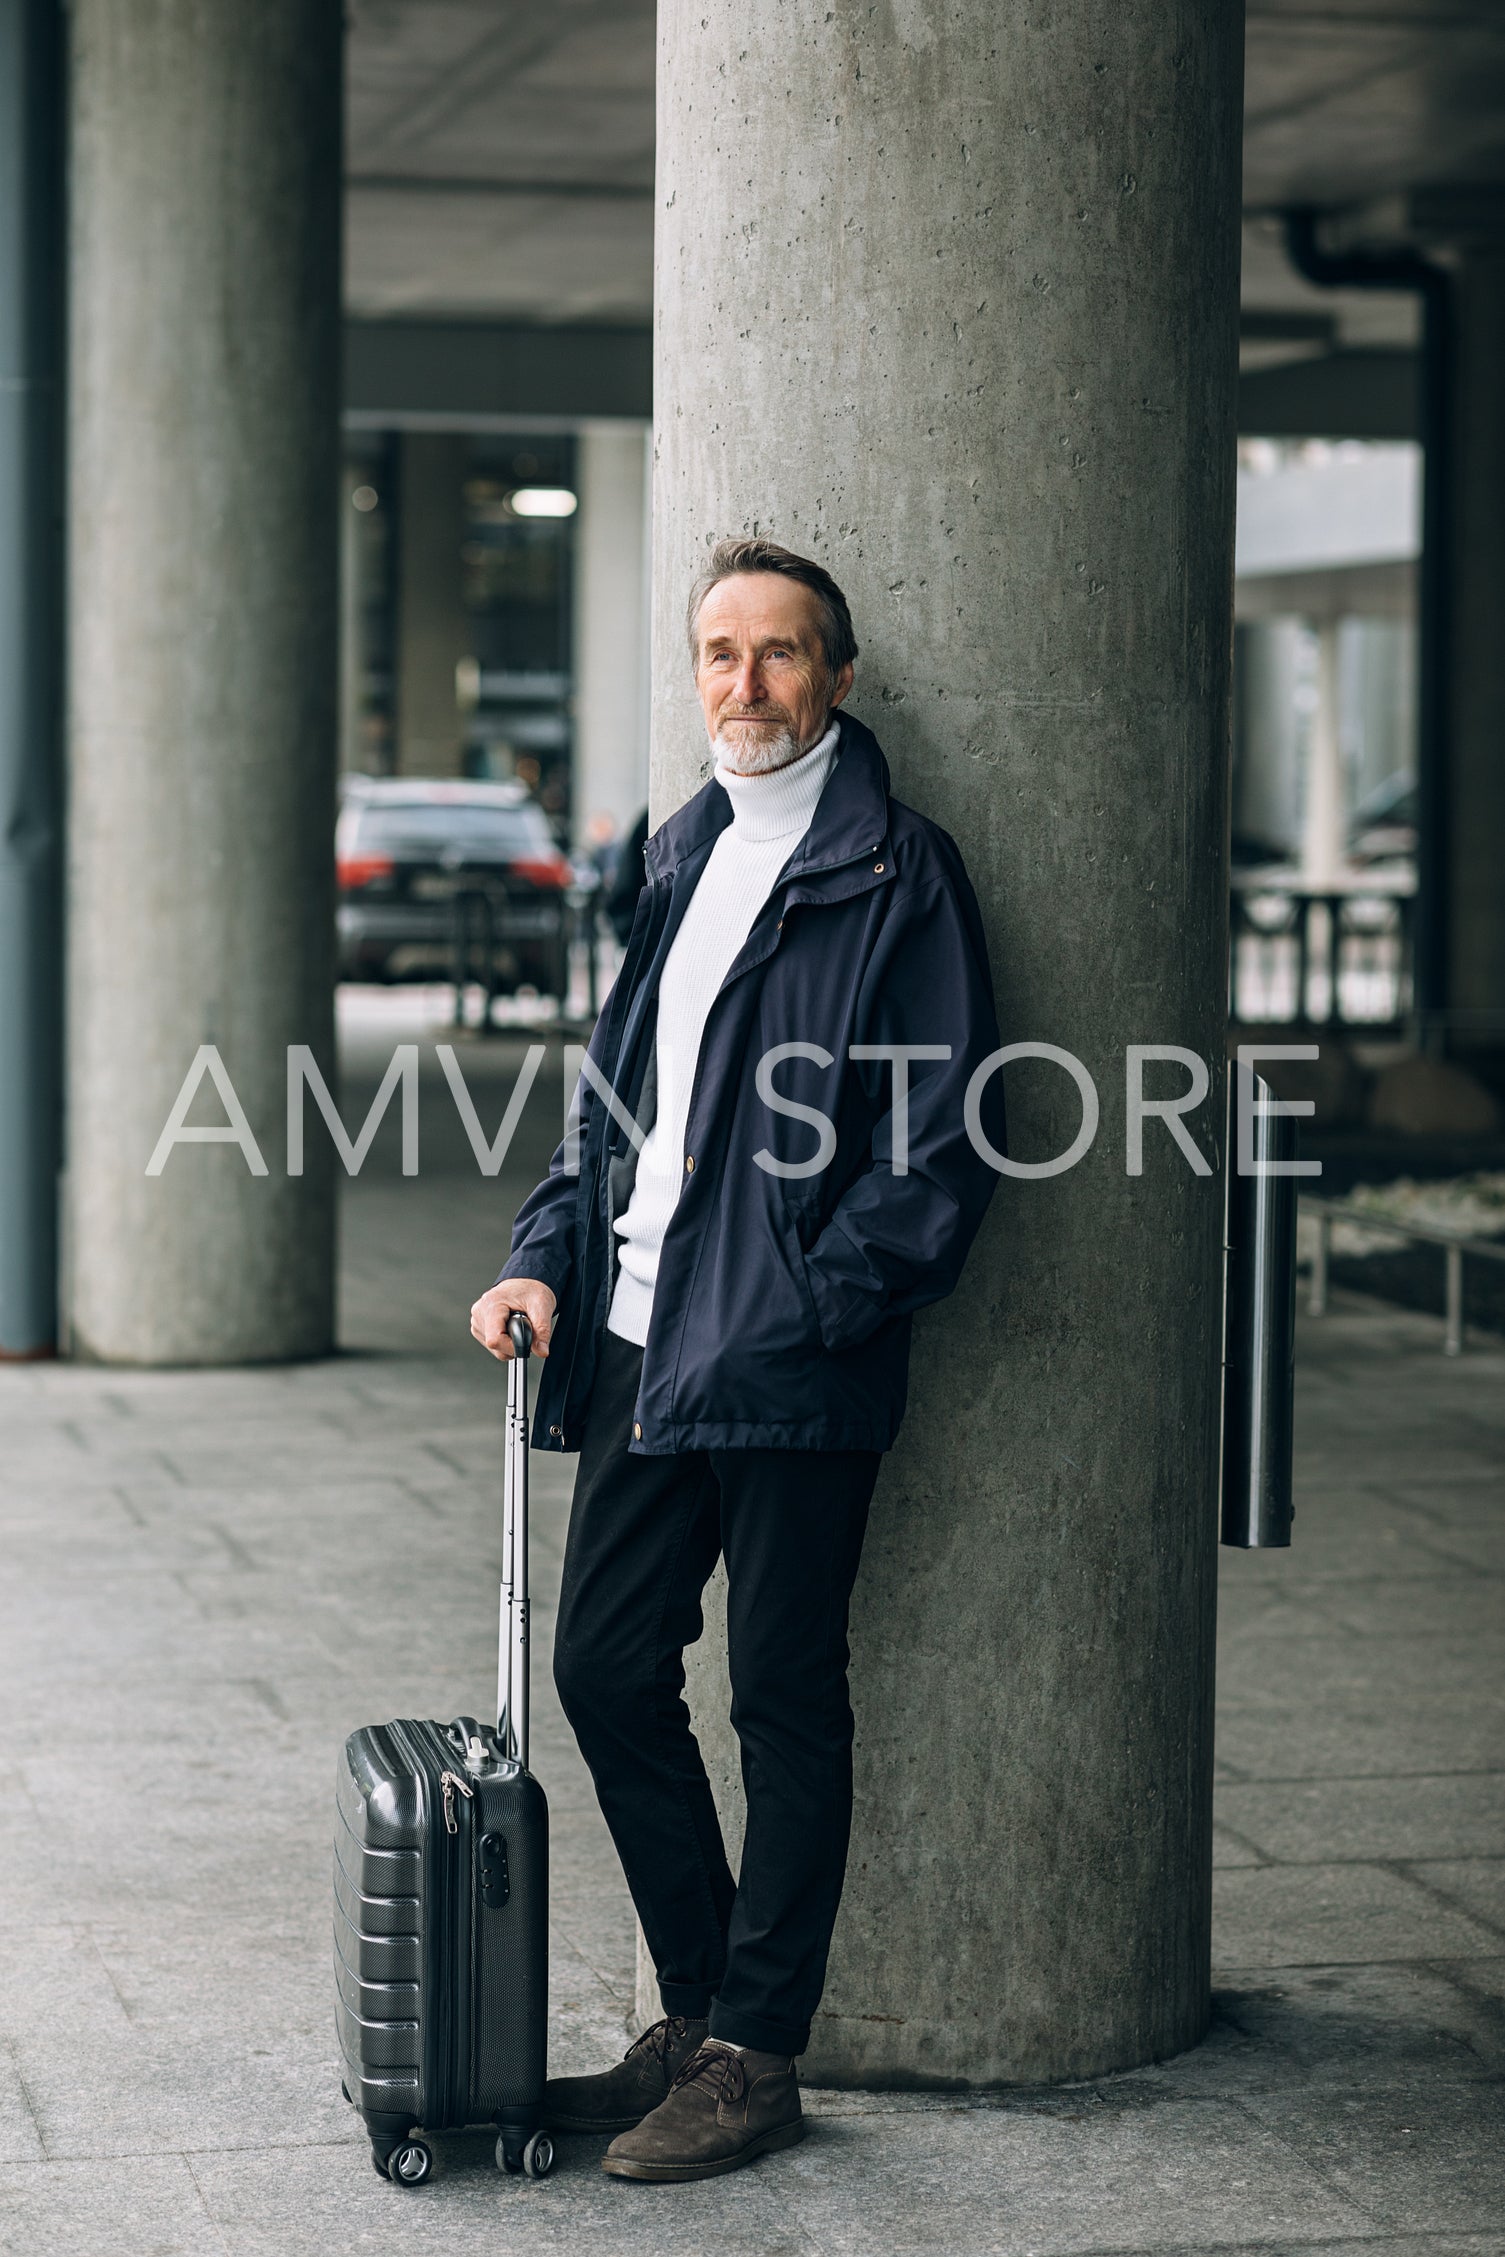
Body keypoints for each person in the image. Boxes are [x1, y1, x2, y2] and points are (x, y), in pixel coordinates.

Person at [470, 537, 1003, 2183]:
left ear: (835, 676)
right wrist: (541, 1254)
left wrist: (811, 1297)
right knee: (604, 1669)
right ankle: (700, 2012)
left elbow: (939, 1148)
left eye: (780, 654)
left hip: (786, 1356)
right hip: (639, 1341)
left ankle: (758, 2053)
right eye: (719, 653)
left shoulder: (897, 875)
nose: (746, 684)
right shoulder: (679, 849)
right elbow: (612, 1101)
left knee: (781, 1694)